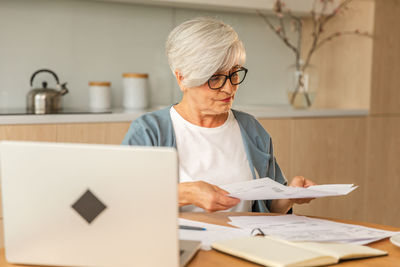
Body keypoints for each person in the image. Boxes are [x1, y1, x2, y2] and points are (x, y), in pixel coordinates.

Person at [122, 17, 315, 213]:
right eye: (215, 78)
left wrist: (290, 196)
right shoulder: (149, 132)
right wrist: (185, 194)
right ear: (182, 79)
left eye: (234, 73)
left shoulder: (251, 128)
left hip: (243, 243)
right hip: (178, 244)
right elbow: (122, 199)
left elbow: (269, 209)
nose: (229, 88)